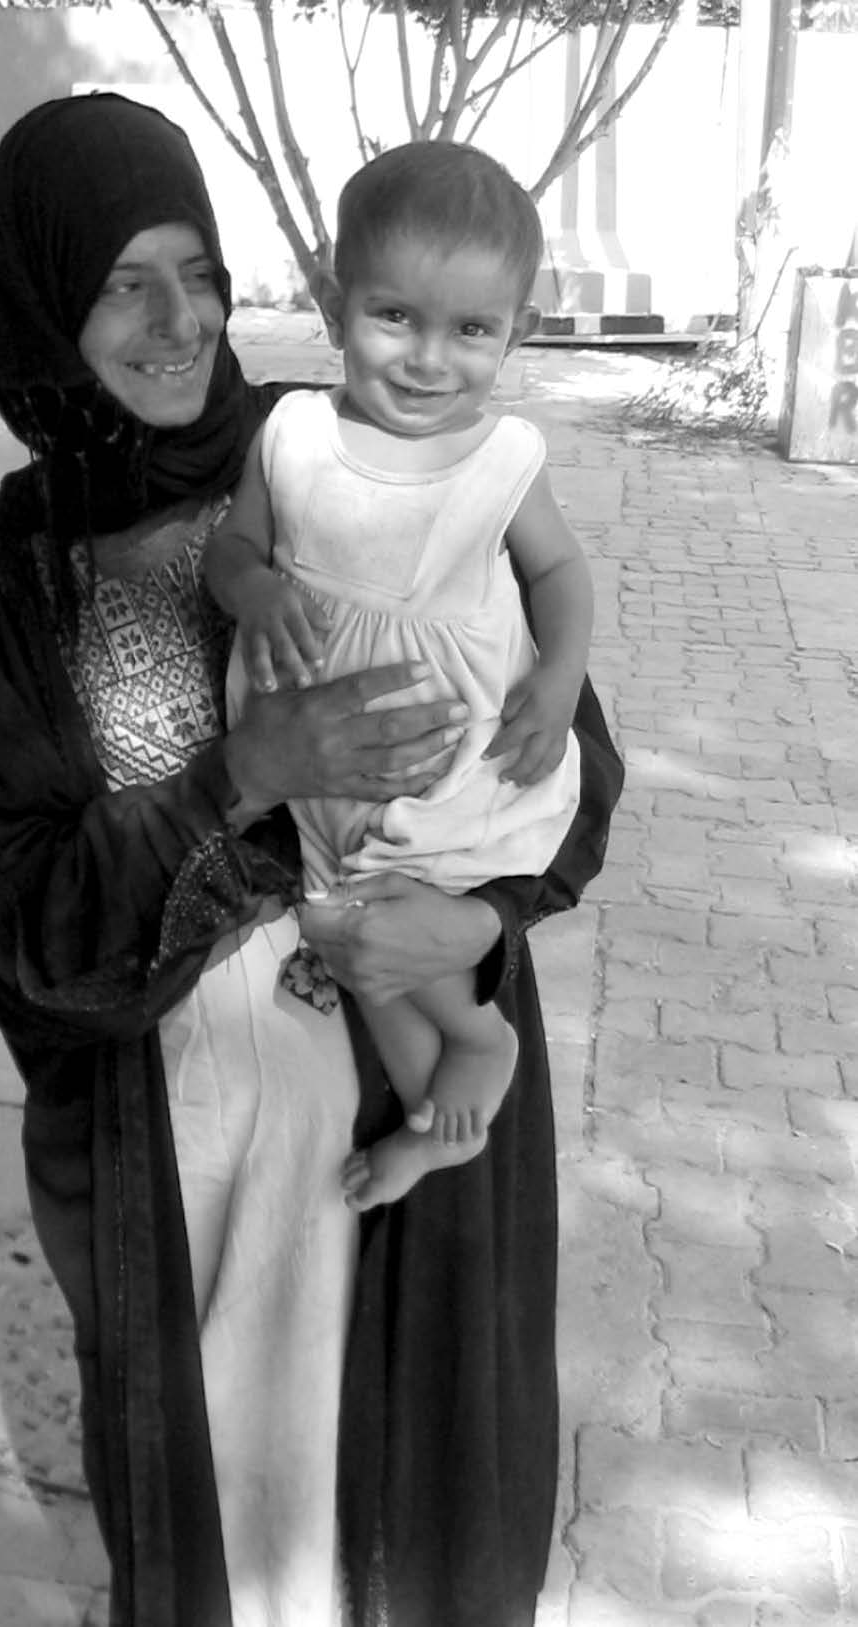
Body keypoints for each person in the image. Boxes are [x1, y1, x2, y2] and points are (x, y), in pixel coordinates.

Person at [0, 92, 623, 1627]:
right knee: (237, 1542)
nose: (175, 321)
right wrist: (240, 775)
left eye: (195, 268)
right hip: (186, 1162)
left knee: (417, 1526)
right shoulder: (23, 583)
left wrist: (467, 919)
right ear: (42, 303)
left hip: (415, 1096)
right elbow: (10, 921)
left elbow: (571, 770)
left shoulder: (346, 450)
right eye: (120, 280)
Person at [205, 142, 592, 1211]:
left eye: (471, 330)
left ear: (517, 328)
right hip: (325, 772)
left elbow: (560, 569)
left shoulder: (503, 458)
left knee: (383, 920)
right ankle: (439, 1112)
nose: (429, 359)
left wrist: (561, 677)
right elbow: (231, 551)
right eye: (395, 317)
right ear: (333, 306)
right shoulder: (290, 437)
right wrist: (256, 592)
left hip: (447, 768)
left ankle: (477, 1038)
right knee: (344, 932)